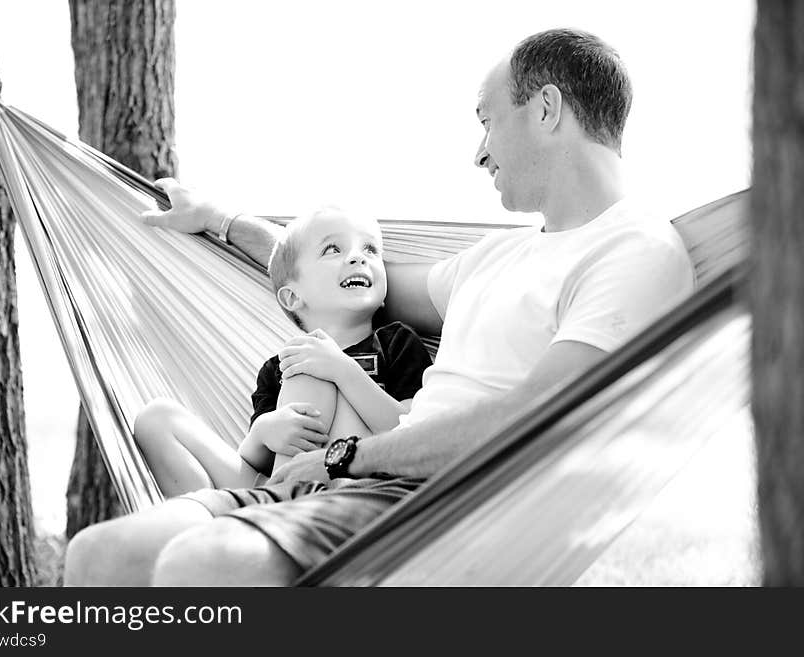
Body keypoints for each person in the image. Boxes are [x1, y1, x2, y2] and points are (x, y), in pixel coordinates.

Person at [63, 28, 695, 586]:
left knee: (200, 567)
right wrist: (222, 220)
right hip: (335, 482)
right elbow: (343, 277)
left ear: (547, 109)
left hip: (429, 500)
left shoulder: (634, 252)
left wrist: (345, 458)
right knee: (102, 557)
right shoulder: (498, 256)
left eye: (486, 120)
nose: (479, 151)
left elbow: (537, 417)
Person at [133, 207, 432, 496]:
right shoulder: (278, 366)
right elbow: (255, 460)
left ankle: (271, 513)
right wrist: (263, 431)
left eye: (370, 249)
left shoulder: (397, 342)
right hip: (278, 489)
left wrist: (342, 371)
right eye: (333, 250)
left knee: (309, 367)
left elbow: (412, 434)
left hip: (360, 490)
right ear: (292, 297)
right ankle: (213, 519)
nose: (358, 258)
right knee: (156, 419)